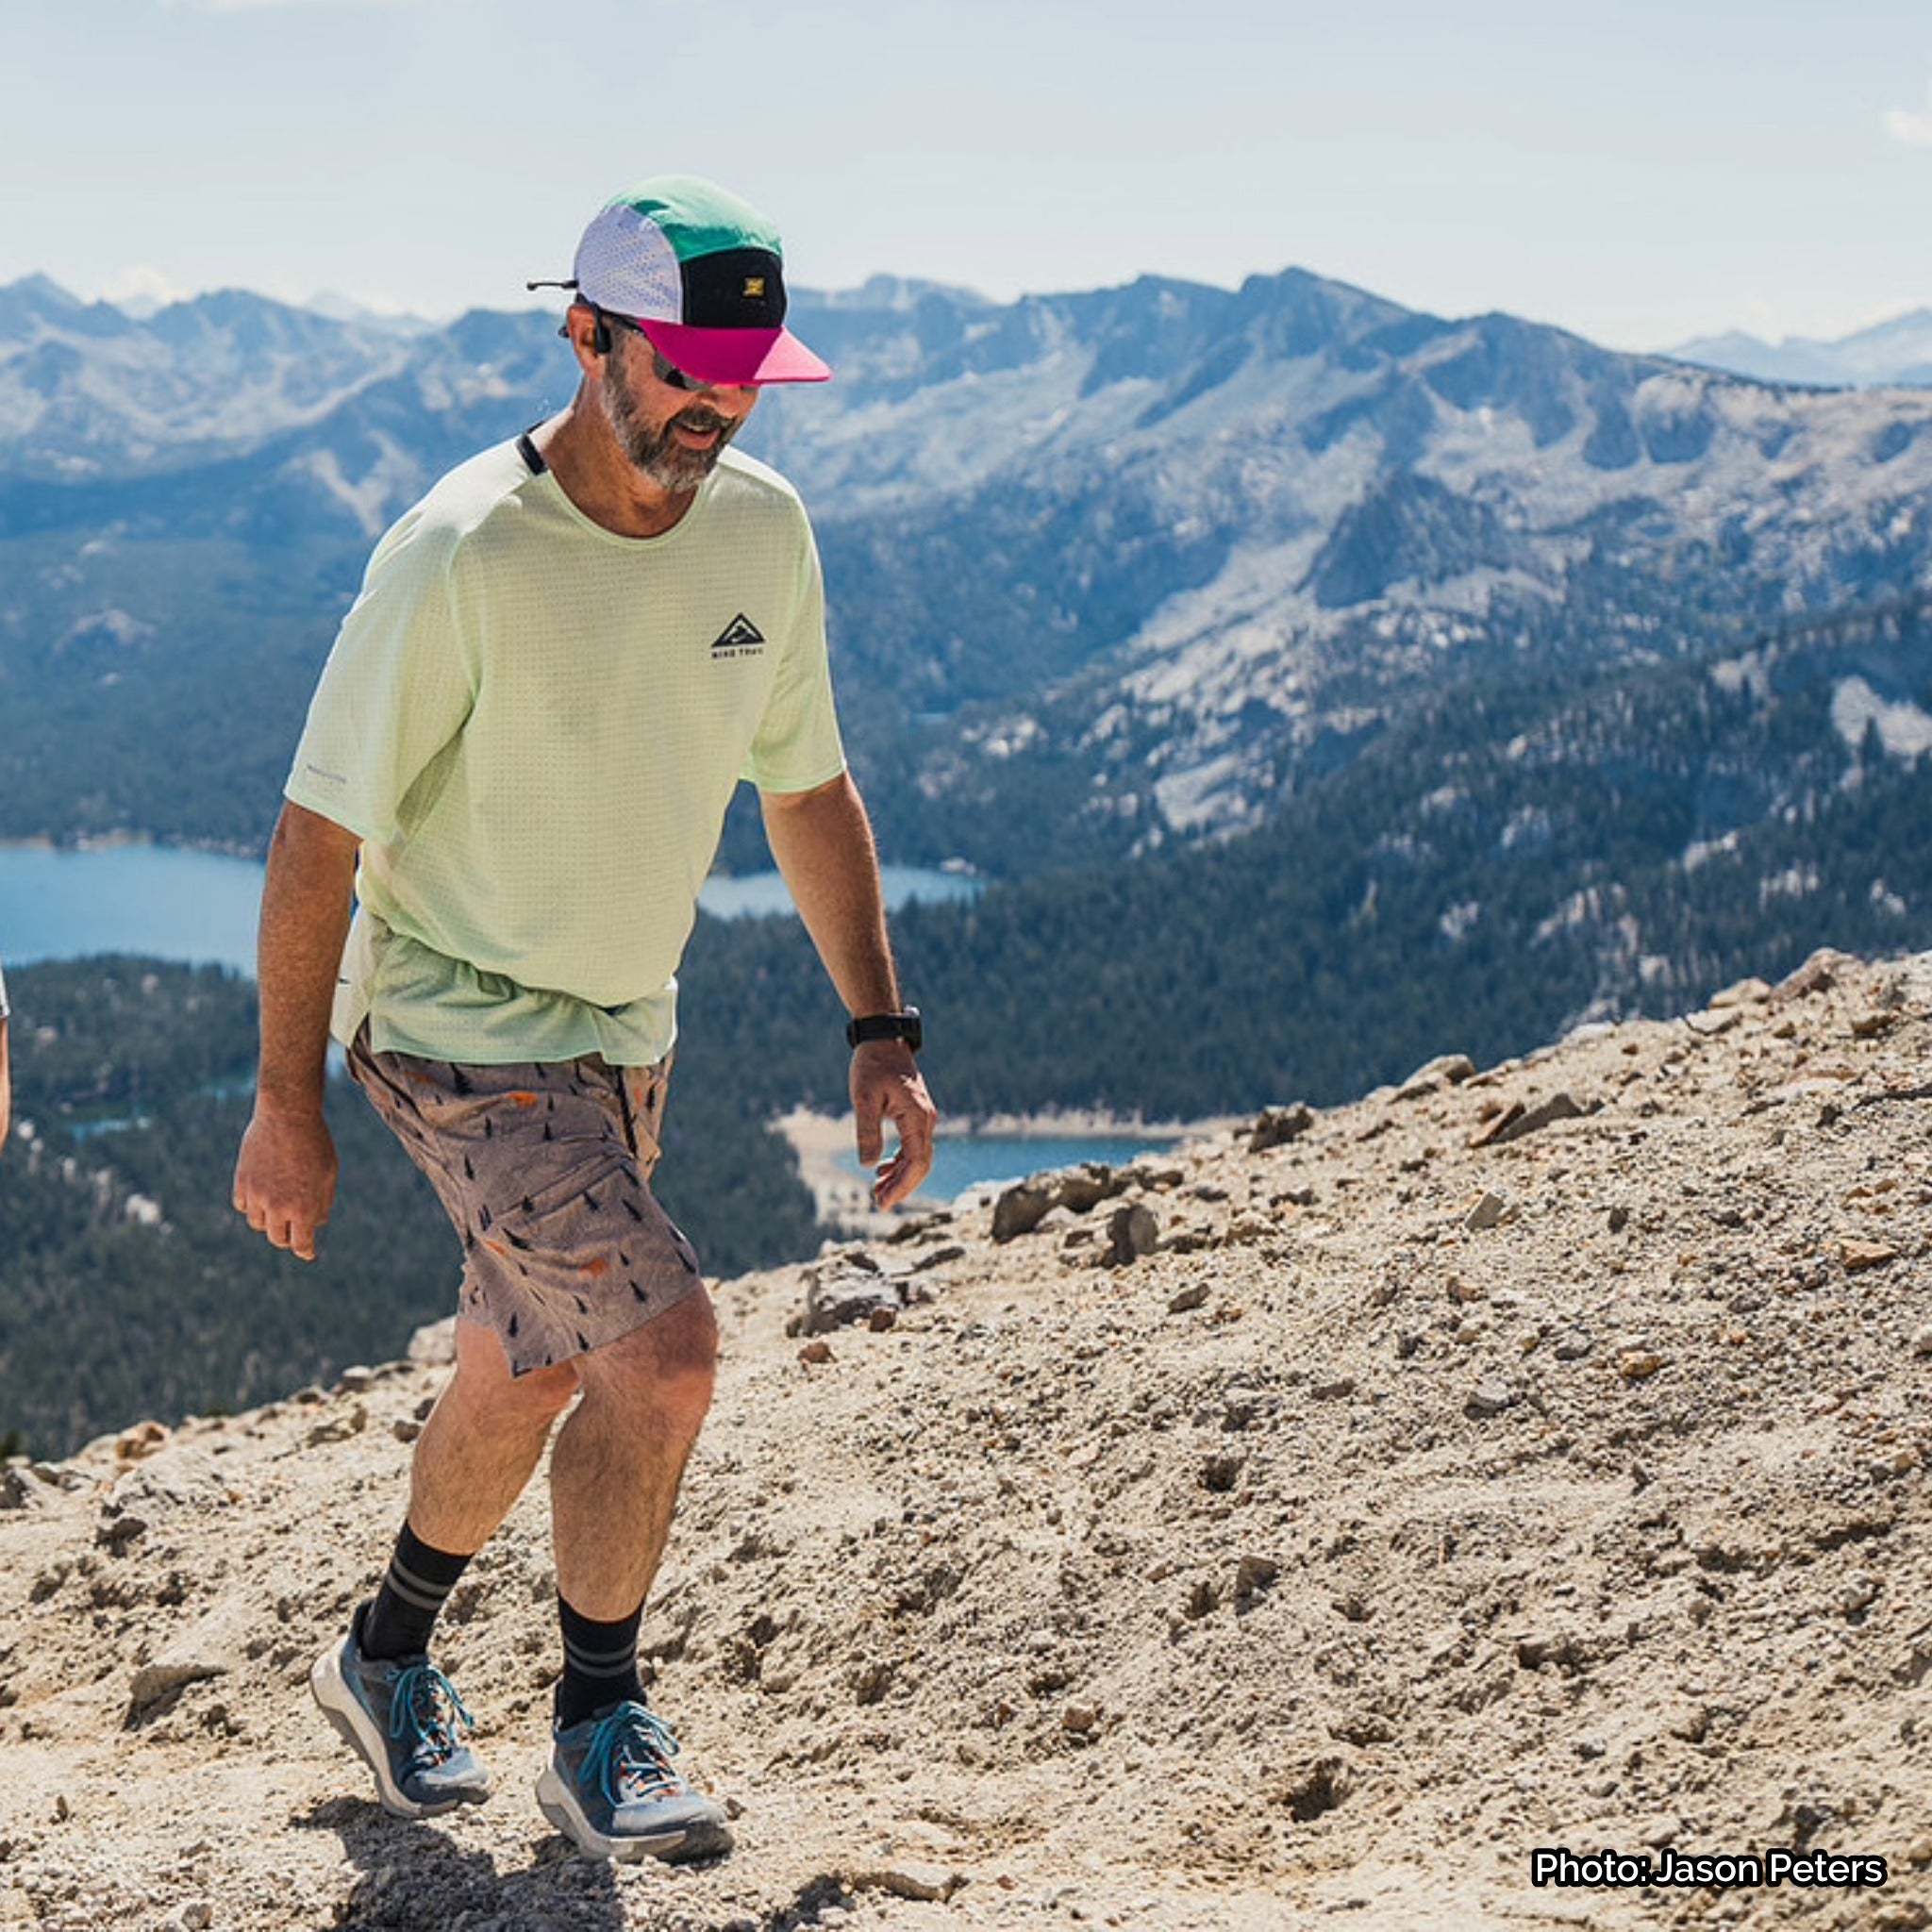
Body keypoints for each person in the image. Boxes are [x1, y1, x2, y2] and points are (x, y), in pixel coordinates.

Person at [230, 175, 936, 1863]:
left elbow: (808, 787)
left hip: (623, 1039)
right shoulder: (462, 550)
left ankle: (381, 1658)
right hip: (453, 1026)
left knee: (523, 1371)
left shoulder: (763, 530)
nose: (715, 401)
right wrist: (286, 1105)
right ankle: (599, 1721)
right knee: (664, 1356)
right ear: (588, 334)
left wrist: (879, 1023)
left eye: (743, 371)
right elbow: (318, 832)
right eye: (684, 365)